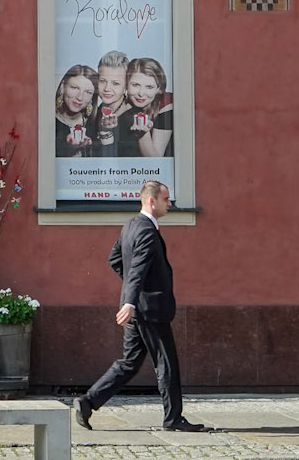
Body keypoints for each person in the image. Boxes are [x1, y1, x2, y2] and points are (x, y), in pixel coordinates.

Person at [76, 179, 209, 433]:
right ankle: (173, 419)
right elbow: (135, 270)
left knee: (130, 363)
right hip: (149, 310)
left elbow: (115, 259)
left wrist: (131, 297)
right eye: (166, 199)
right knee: (166, 363)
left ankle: (88, 401)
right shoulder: (147, 231)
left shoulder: (130, 226)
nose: (169, 204)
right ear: (152, 200)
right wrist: (131, 300)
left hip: (138, 308)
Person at [119, 57, 172, 160]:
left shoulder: (166, 104)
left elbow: (155, 160)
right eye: (135, 85)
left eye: (149, 87)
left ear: (158, 88)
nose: (141, 93)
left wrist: (142, 134)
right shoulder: (122, 106)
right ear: (126, 84)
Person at [54, 63, 99, 157]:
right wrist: (68, 149)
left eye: (88, 92)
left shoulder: (98, 122)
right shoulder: (47, 120)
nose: (80, 97)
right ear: (63, 87)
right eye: (74, 88)